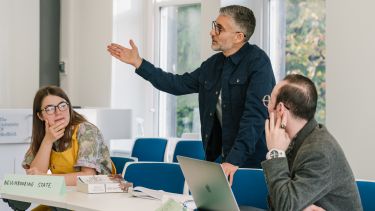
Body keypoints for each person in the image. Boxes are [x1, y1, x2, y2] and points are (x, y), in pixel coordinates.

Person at [107, 5, 275, 184]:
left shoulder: (258, 62)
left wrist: (233, 160)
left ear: (239, 36)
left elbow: (255, 118)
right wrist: (139, 63)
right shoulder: (212, 65)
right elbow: (177, 84)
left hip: (250, 163)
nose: (212, 32)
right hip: (219, 159)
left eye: (219, 28)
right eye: (214, 25)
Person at [262, 74, 362, 211]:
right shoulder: (297, 139)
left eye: (269, 101)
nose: (267, 108)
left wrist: (276, 154)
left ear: (280, 109)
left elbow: (283, 206)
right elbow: (277, 201)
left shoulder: (318, 151)